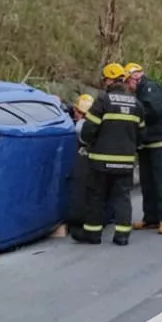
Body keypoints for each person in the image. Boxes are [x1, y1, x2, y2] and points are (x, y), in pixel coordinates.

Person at [74, 63, 143, 246]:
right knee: (122, 197)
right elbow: (142, 134)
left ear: (110, 80)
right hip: (126, 162)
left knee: (96, 196)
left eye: (105, 79)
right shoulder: (136, 104)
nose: (104, 83)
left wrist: (89, 143)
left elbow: (88, 130)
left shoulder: (103, 101)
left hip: (101, 161)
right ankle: (122, 236)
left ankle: (93, 234)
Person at [125, 62, 162, 234]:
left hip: (161, 142)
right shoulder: (140, 93)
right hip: (147, 143)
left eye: (127, 82)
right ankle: (151, 218)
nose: (127, 87)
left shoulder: (150, 88)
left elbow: (151, 111)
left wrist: (131, 117)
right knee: (148, 183)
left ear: (134, 78)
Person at [64, 92, 97, 237]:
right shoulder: (95, 121)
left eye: (77, 111)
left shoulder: (80, 127)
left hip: (83, 164)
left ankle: (82, 224)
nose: (74, 113)